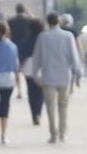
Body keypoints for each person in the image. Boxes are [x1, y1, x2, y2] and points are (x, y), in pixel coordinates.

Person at [27, 12, 83, 143]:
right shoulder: (68, 36)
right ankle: (63, 133)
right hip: (65, 76)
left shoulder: (43, 37)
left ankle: (53, 135)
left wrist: (35, 74)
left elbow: (37, 58)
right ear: (58, 22)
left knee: (50, 107)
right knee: (63, 106)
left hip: (48, 77)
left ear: (47, 22)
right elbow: (74, 57)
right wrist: (78, 73)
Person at [19, 18, 45, 125]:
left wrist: (20, 66)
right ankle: (39, 112)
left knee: (31, 92)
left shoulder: (26, 40)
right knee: (40, 92)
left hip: (28, 68)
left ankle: (34, 114)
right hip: (42, 68)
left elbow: (22, 55)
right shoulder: (44, 40)